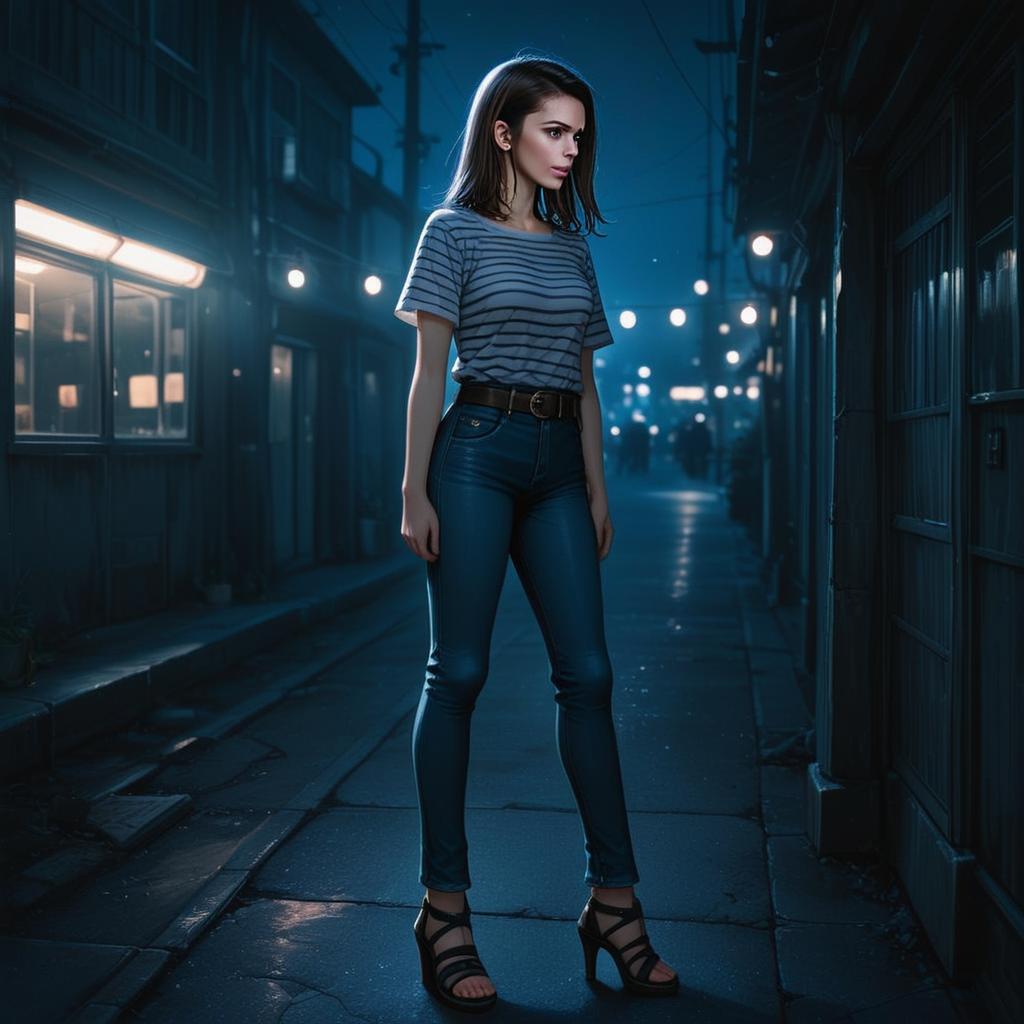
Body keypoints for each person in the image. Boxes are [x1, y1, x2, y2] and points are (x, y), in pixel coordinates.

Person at [394, 54, 679, 1012]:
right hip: (473, 450)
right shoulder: (451, 232)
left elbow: (588, 383)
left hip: (559, 463)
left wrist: (596, 490)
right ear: (506, 132)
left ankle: (615, 903)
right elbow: (429, 369)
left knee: (589, 678)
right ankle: (445, 910)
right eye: (556, 130)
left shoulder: (570, 248)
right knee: (460, 672)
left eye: (581, 135)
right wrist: (413, 490)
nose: (572, 149)